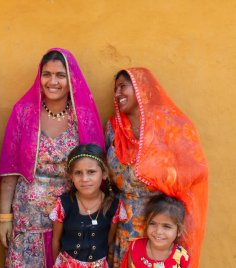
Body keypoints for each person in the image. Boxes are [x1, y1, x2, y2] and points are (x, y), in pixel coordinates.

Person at [0, 48, 105, 268]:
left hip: (73, 215)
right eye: (47, 74)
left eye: (60, 75)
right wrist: (4, 217)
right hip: (28, 217)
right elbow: (10, 169)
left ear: (70, 79)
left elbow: (97, 167)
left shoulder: (82, 117)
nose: (52, 81)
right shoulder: (24, 112)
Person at [106, 68, 208, 268]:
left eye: (123, 87)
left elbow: (196, 169)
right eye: (115, 89)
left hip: (159, 225)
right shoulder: (114, 128)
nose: (117, 94)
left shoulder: (169, 126)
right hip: (123, 223)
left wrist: (164, 179)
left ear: (140, 89)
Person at [50, 144, 126, 268]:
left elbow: (108, 240)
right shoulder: (64, 203)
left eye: (91, 172)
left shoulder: (113, 206)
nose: (85, 179)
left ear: (104, 173)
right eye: (78, 173)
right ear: (71, 176)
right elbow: (55, 241)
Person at [121, 194, 190, 268]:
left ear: (179, 230)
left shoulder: (182, 257)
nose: (158, 231)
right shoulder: (135, 248)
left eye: (166, 226)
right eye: (152, 223)